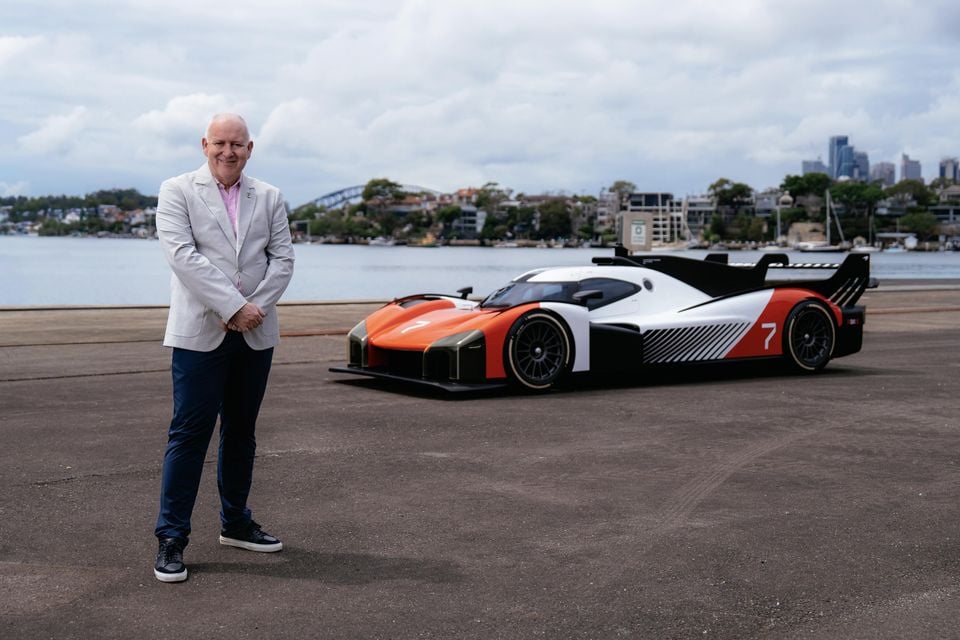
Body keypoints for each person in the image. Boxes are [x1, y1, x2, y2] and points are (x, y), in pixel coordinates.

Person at [152, 113, 295, 583]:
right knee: (188, 435)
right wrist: (233, 306)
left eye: (236, 144)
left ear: (249, 148)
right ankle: (171, 537)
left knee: (241, 431)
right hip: (201, 331)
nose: (227, 151)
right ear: (204, 144)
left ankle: (236, 523)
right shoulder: (176, 191)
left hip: (255, 333)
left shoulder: (270, 196)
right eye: (219, 143)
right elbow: (182, 256)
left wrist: (253, 309)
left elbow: (283, 258)